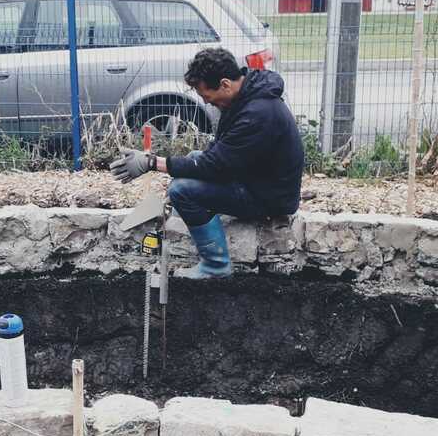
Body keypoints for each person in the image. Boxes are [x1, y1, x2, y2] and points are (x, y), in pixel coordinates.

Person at [110, 48, 303, 278]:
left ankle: (215, 265)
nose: (207, 103)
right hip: (256, 179)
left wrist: (150, 162)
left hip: (269, 197)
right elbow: (218, 154)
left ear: (224, 84)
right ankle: (197, 220)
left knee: (182, 190)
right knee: (193, 158)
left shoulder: (258, 114)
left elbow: (213, 166)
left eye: (206, 96)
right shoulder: (247, 98)